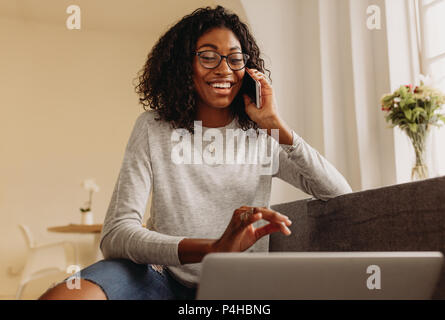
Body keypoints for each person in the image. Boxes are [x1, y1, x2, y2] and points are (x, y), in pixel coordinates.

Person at [39, 5, 352, 300]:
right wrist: (211, 248)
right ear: (184, 65)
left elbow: (339, 195)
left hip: (239, 284)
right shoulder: (154, 128)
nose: (224, 69)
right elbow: (116, 235)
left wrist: (276, 125)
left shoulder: (262, 135)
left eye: (234, 58)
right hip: (162, 278)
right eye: (208, 57)